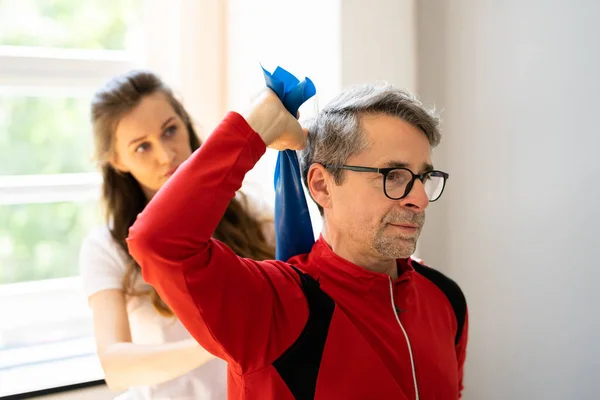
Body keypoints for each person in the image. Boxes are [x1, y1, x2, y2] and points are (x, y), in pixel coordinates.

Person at [127, 83, 469, 399]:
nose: (420, 198)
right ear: (321, 185)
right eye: (394, 176)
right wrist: (254, 129)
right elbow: (158, 241)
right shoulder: (273, 307)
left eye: (424, 176)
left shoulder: (446, 298)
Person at [79, 70, 276, 400]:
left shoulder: (251, 214)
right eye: (142, 147)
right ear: (118, 161)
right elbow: (116, 367)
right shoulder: (105, 247)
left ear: (185, 123)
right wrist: (216, 341)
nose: (165, 154)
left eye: (170, 130)